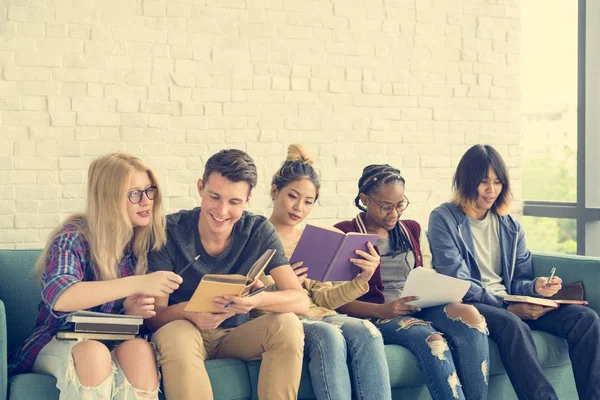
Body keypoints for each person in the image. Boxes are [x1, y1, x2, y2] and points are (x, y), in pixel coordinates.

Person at [428, 144, 600, 400]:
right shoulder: (444, 218)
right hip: (474, 303)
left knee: (586, 320)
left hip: (509, 300)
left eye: (498, 182)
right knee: (512, 324)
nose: (491, 190)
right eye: (484, 181)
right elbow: (458, 281)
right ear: (467, 180)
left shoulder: (510, 226)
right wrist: (507, 306)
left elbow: (518, 279)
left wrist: (534, 288)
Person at [8, 152, 183, 399]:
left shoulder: (143, 244)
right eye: (134, 194)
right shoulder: (73, 236)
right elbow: (61, 296)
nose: (146, 201)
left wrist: (131, 311)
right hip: (57, 341)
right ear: (108, 199)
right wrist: (136, 283)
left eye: (149, 190)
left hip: (112, 341)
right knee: (94, 352)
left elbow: (130, 318)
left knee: (140, 351)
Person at [146, 149, 308, 400]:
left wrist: (256, 301)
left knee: (287, 324)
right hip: (184, 330)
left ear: (248, 199)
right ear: (201, 188)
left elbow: (301, 301)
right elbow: (154, 317)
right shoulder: (169, 231)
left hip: (235, 334)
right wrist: (189, 312)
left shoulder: (258, 231)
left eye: (234, 202)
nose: (222, 211)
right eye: (214, 197)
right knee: (175, 334)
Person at [335, 164, 490, 400]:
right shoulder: (345, 234)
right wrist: (383, 309)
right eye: (386, 206)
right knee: (432, 340)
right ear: (364, 200)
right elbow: (338, 302)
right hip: (378, 313)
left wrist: (444, 292)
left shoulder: (411, 229)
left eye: (400, 205)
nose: (394, 214)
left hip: (420, 305)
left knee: (472, 316)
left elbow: (427, 273)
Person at [267, 144, 392, 400]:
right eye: (292, 196)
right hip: (287, 320)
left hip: (322, 315)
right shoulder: (257, 236)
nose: (299, 207)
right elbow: (252, 298)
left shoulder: (310, 240)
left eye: (308, 202)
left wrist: (362, 278)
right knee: (330, 336)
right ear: (274, 191)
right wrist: (284, 282)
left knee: (367, 331)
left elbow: (325, 299)